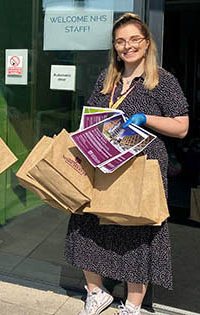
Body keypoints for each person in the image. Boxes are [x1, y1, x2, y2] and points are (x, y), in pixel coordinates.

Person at [64, 13, 189, 315]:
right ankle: (96, 292)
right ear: (115, 47)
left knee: (137, 232)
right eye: (121, 41)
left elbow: (182, 127)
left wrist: (146, 119)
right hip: (104, 164)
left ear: (146, 43)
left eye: (134, 39)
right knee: (86, 223)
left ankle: (133, 304)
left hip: (142, 167)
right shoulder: (107, 80)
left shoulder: (161, 80)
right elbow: (91, 117)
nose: (127, 46)